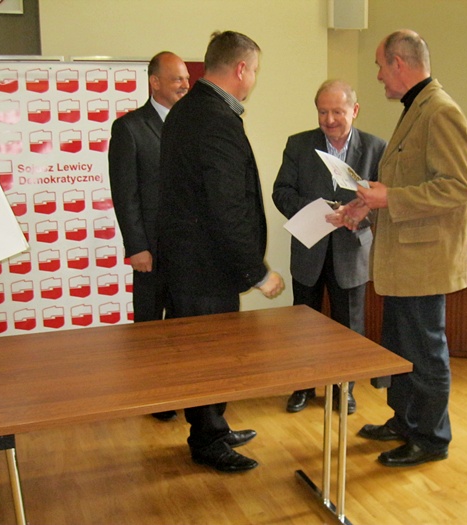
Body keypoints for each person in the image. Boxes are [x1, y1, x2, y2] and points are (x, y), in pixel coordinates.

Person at [335, 29, 467, 467]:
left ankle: (431, 438)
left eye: (380, 66)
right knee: (399, 347)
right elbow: (407, 183)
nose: (378, 75)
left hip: (423, 261)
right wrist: (367, 204)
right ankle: (404, 420)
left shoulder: (441, 111)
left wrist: (389, 197)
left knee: (425, 352)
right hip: (402, 258)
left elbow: (458, 187)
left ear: (399, 63)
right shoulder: (417, 108)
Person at [157, 31, 284, 473]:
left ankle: (213, 426)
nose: (254, 79)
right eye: (256, 70)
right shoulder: (215, 119)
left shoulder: (187, 110)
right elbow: (226, 206)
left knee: (207, 355)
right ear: (241, 69)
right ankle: (208, 441)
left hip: (192, 265)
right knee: (208, 358)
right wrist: (257, 272)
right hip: (205, 269)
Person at [273, 80, 385, 415]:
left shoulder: (376, 148)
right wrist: (317, 210)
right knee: (303, 325)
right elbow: (282, 192)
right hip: (309, 248)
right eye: (323, 112)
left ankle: (343, 389)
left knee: (349, 326)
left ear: (355, 110)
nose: (329, 119)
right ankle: (303, 387)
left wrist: (356, 217)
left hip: (351, 250)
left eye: (337, 111)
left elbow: (383, 201)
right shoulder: (298, 144)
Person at [108, 51, 190, 422]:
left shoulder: (192, 125)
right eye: (176, 79)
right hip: (150, 253)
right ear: (155, 82)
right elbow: (125, 195)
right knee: (149, 328)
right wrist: (137, 247)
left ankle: (183, 391)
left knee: (184, 326)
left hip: (188, 251)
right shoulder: (129, 128)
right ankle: (155, 397)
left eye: (186, 78)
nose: (185, 85)